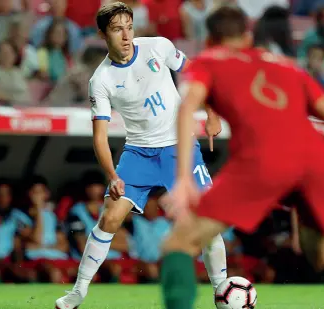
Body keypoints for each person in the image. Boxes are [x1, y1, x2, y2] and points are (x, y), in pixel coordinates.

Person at [160, 6, 324, 309]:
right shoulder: (286, 65)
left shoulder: (207, 62)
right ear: (247, 36)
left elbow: (187, 108)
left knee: (179, 243)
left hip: (264, 159)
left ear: (209, 39)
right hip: (315, 158)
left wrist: (183, 179)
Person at [55, 2, 227, 308]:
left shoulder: (158, 47)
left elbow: (198, 75)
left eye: (129, 27)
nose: (126, 36)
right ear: (103, 34)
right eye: (117, 29)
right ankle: (78, 291)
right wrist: (112, 175)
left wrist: (211, 114)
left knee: (208, 220)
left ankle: (222, 291)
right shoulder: (102, 80)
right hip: (139, 153)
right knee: (109, 218)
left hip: (179, 147)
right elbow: (100, 137)